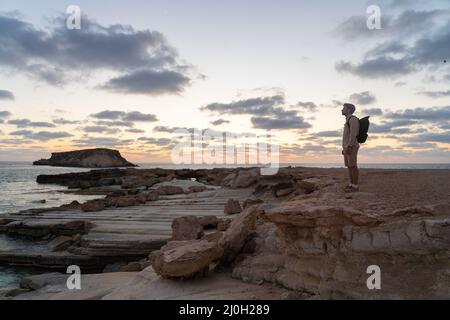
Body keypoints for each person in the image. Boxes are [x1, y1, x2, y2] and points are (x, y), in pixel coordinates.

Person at [341, 103, 360, 192]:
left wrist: (349, 146)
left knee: (353, 165)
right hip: (347, 147)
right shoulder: (348, 120)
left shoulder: (352, 119)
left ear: (348, 110)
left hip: (351, 146)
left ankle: (355, 186)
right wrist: (344, 148)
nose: (342, 110)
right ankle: (351, 184)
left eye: (343, 108)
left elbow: (353, 134)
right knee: (349, 166)